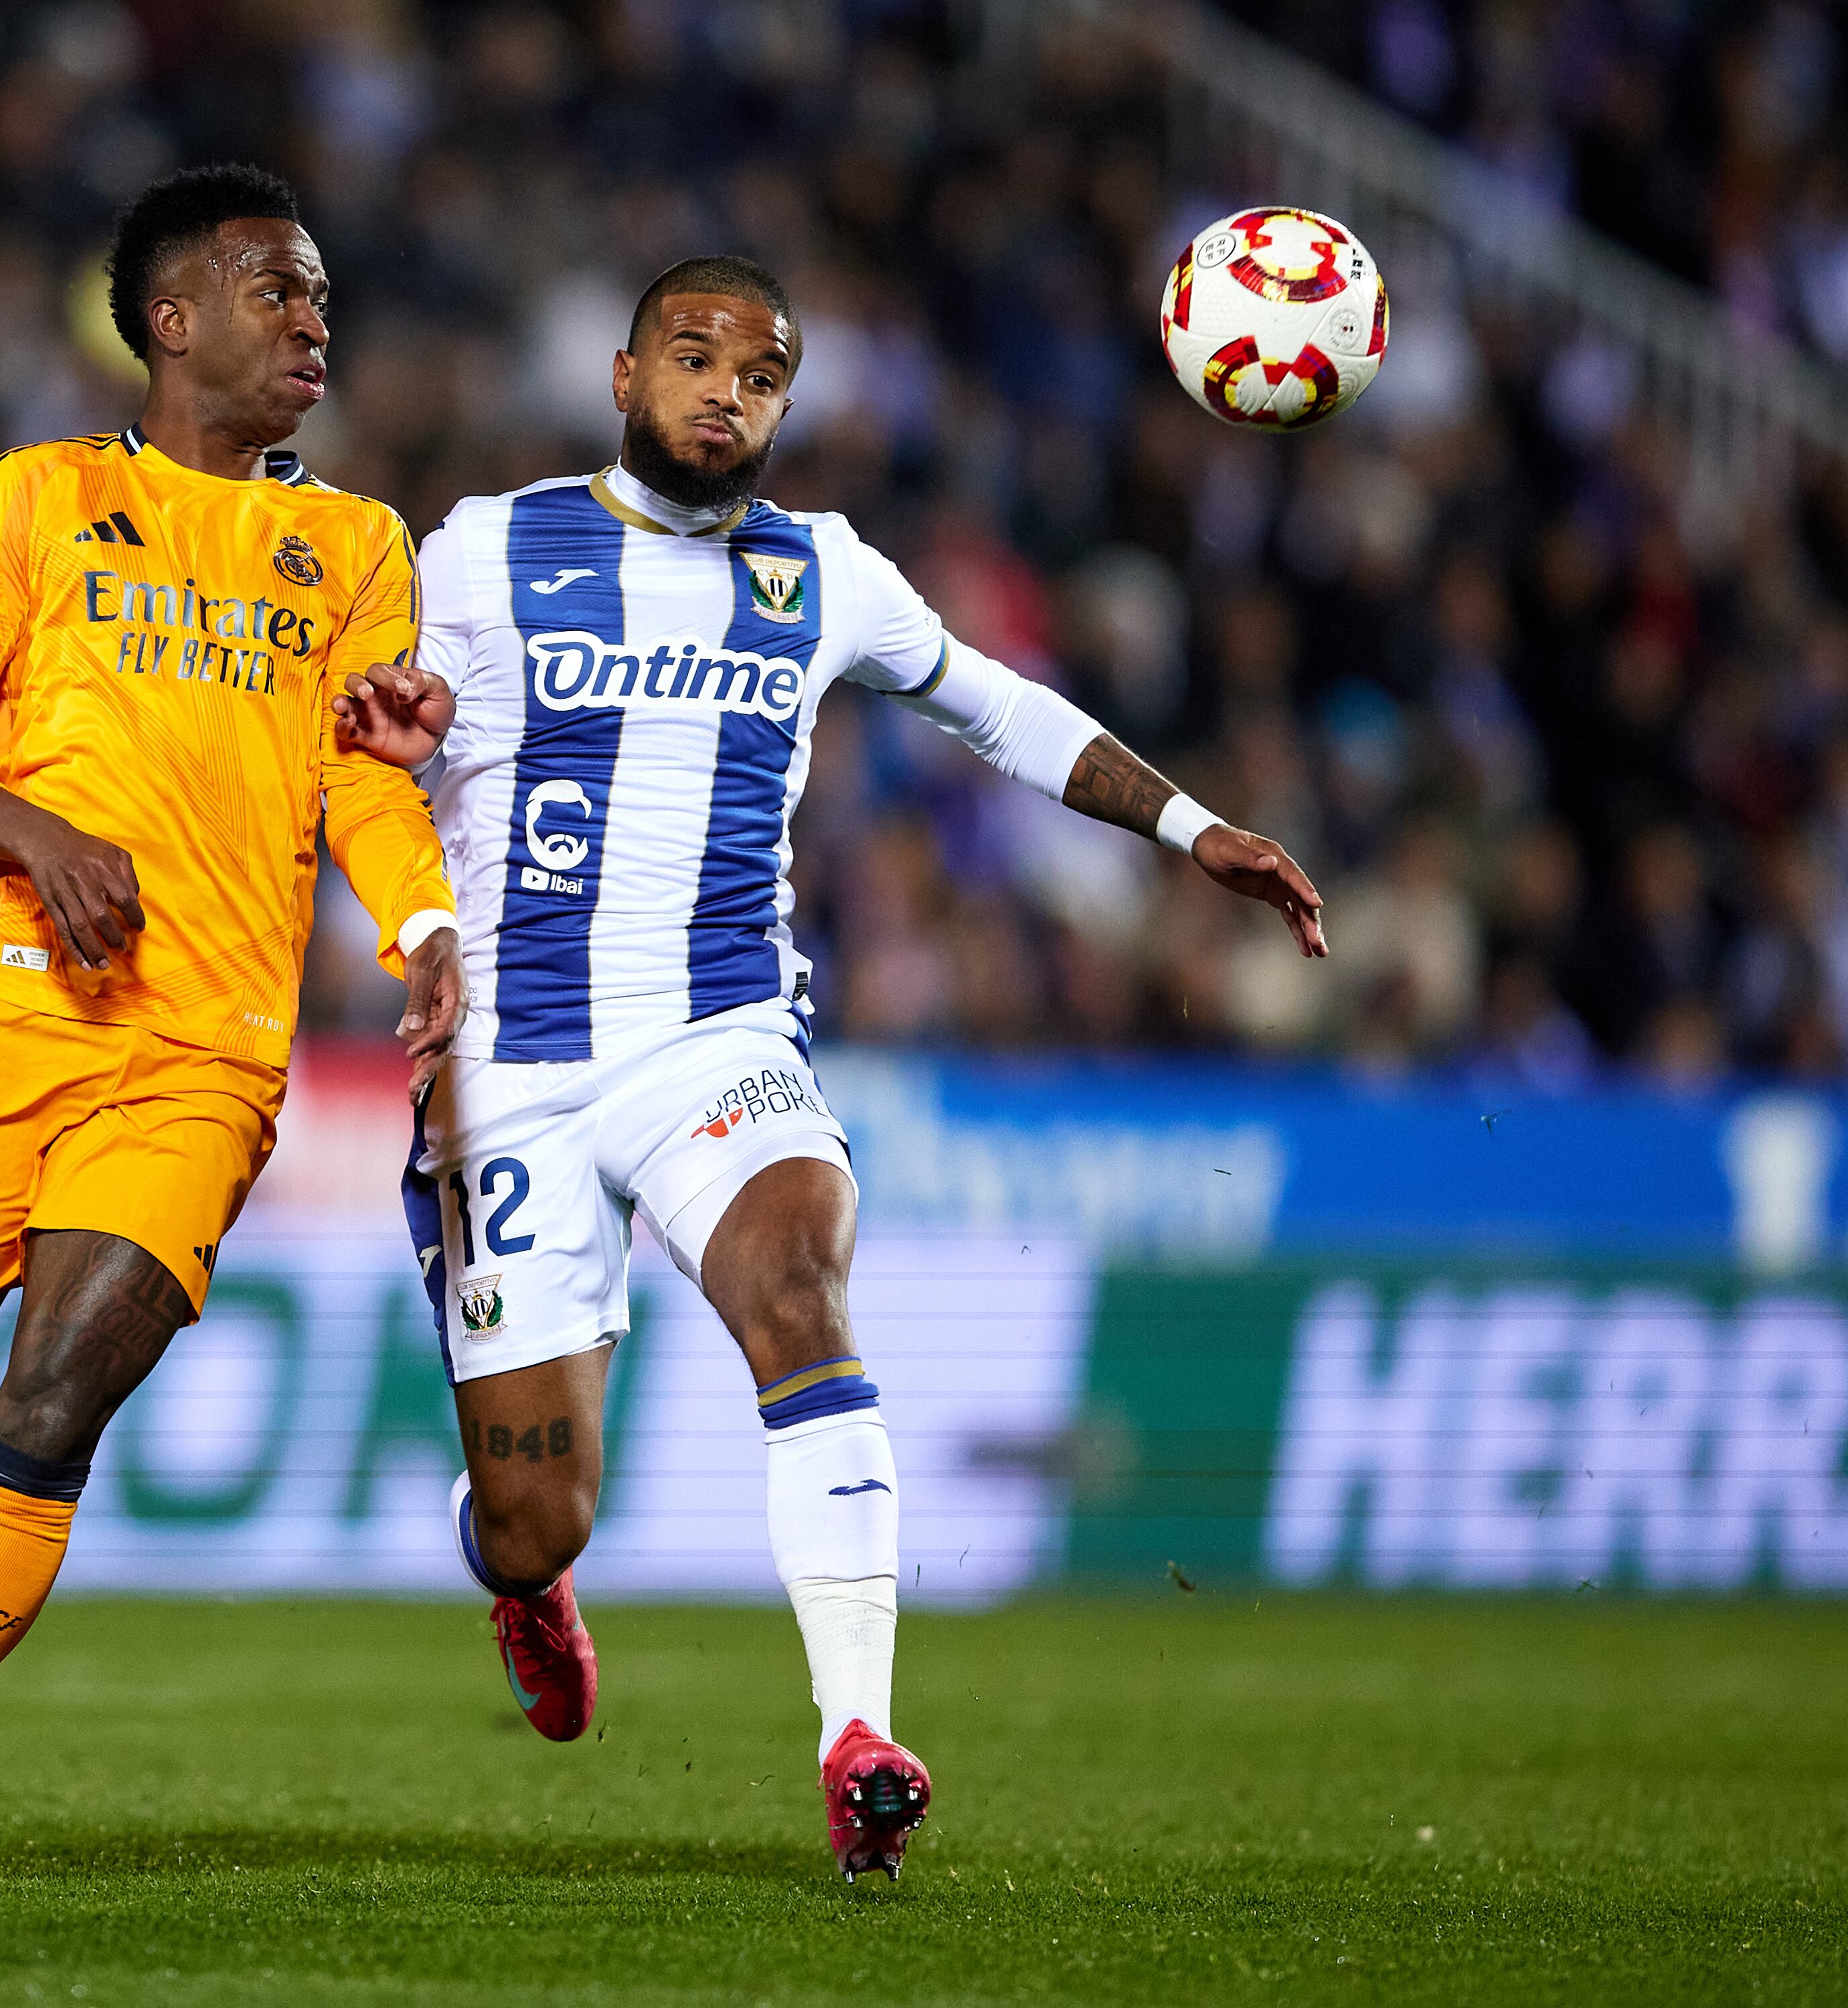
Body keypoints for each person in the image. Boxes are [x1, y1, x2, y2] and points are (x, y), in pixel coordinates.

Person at [384, 257, 1327, 1879]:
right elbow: (382, 724)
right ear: (623, 376)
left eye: (760, 376)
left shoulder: (824, 572)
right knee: (541, 1515)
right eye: (694, 359)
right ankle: (526, 1588)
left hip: (720, 1036)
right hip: (513, 1061)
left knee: (801, 1289)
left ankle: (857, 1739)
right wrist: (387, 735)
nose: (724, 394)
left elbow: (999, 710)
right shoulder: (485, 546)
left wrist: (1193, 827)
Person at [0, 163, 461, 1890]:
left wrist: (420, 919)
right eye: (277, 289)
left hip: (205, 1048)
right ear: (171, 316)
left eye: (321, 295)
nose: (313, 320)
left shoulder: (354, 547)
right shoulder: (37, 500)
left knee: (52, 1406)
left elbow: (363, 772)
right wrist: (23, 829)